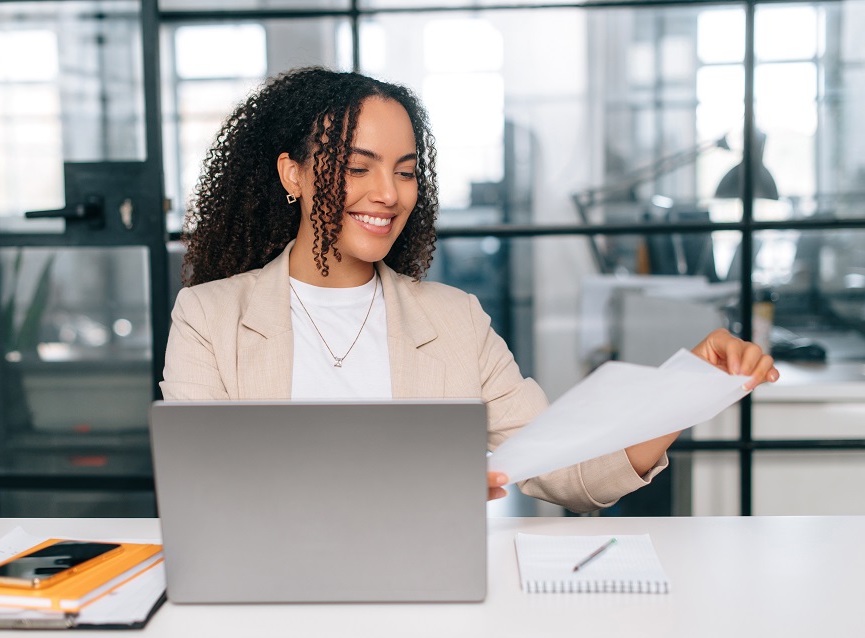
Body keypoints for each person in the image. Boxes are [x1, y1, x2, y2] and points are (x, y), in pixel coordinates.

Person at [161, 67, 779, 513]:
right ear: (292, 173)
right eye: (357, 167)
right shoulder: (209, 317)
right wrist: (403, 485)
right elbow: (203, 492)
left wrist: (687, 389)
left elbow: (568, 471)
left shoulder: (455, 320)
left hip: (425, 597)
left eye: (406, 172)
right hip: (269, 600)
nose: (388, 193)